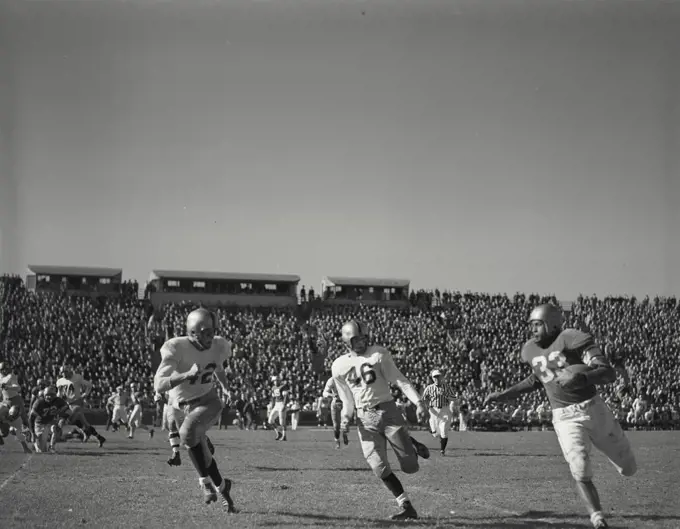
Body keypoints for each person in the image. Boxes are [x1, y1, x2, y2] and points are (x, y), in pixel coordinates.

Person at [484, 303, 637, 529]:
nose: (533, 330)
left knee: (629, 468)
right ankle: (597, 517)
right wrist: (504, 394)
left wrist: (581, 378)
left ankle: (614, 462)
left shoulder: (571, 338)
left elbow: (608, 372)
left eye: (538, 324)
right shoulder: (529, 350)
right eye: (532, 325)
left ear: (553, 324)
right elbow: (537, 379)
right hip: (564, 416)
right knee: (579, 468)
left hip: (593, 408)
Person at [332, 320, 430, 521]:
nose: (361, 343)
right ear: (346, 341)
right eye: (356, 339)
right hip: (363, 418)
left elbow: (399, 379)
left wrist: (419, 402)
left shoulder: (379, 354)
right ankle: (406, 505)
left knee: (410, 467)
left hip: (388, 412)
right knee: (378, 466)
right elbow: (347, 399)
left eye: (363, 338)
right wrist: (344, 421)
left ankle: (411, 444)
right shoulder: (339, 365)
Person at [154, 308, 238, 512]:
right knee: (204, 455)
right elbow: (159, 384)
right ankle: (224, 489)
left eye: (212, 332)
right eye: (206, 333)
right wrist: (185, 375)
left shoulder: (219, 345)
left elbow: (217, 366)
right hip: (183, 405)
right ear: (193, 332)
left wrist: (226, 388)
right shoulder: (176, 347)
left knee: (187, 434)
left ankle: (205, 484)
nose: (211, 337)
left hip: (208, 401)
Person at [421, 369, 457, 455]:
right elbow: (424, 399)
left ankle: (442, 450)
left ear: (441, 377)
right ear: (432, 378)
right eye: (435, 376)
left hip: (444, 409)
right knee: (436, 434)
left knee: (444, 431)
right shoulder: (429, 388)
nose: (437, 378)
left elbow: (454, 398)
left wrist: (445, 394)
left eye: (438, 376)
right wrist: (427, 407)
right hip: (433, 410)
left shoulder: (447, 387)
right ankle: (433, 431)